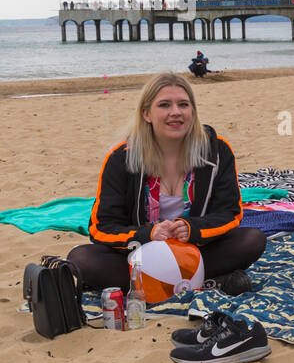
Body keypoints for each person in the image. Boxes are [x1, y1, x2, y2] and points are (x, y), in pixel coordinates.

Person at [68, 72, 265, 294]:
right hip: (141, 258)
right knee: (81, 258)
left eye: (183, 104)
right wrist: (148, 235)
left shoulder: (217, 151)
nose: (176, 112)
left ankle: (165, 284)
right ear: (146, 114)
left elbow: (230, 213)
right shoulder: (121, 158)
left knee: (252, 239)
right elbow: (102, 227)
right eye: (164, 105)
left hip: (197, 251)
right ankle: (206, 281)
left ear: (193, 111)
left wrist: (192, 229)